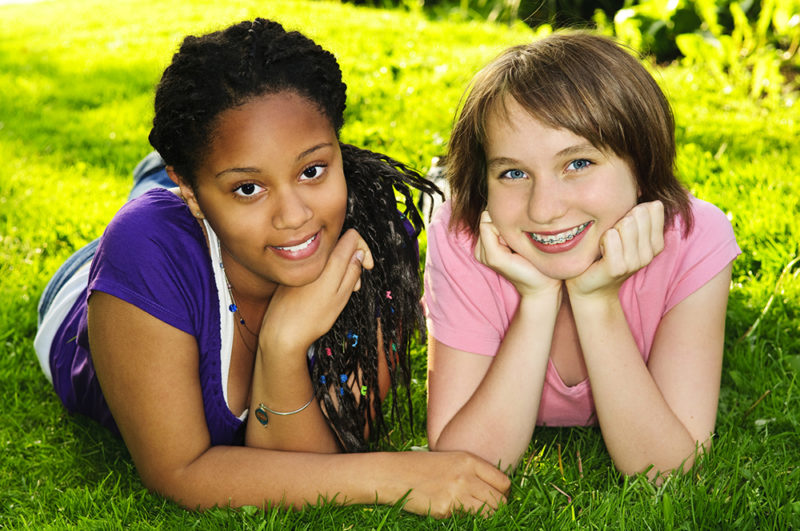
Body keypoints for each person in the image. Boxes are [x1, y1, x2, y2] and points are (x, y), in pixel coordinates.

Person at [34, 18, 509, 517]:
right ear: (192, 191)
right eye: (249, 188)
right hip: (96, 283)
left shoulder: (377, 239)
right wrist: (395, 475)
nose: (295, 215)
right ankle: (163, 177)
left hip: (217, 225)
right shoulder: (146, 251)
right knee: (150, 208)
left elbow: (315, 456)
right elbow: (180, 471)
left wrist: (283, 344)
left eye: (312, 170)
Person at [423, 32, 741, 478]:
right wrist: (535, 303)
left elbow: (669, 471)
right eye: (513, 172)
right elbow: (465, 464)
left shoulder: (694, 237)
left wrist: (596, 300)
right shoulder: (463, 236)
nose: (545, 209)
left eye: (578, 164)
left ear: (643, 166)